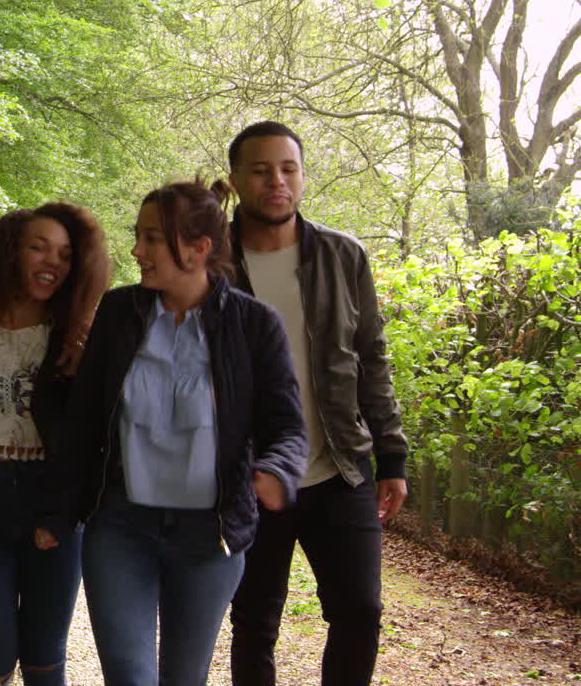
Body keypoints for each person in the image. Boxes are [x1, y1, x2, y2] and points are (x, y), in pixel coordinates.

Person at [48, 178, 308, 686]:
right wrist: (58, 509)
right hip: (120, 528)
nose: (136, 250)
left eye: (151, 239)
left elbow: (288, 428)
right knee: (129, 676)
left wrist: (276, 471)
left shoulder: (255, 325)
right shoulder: (120, 313)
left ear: (197, 249)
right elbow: (82, 421)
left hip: (209, 538)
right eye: (138, 235)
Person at [225, 121, 409, 686]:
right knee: (254, 622)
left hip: (340, 467)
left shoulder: (343, 255)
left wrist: (391, 456)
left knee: (360, 611)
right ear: (235, 181)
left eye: (288, 168)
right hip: (250, 475)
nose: (276, 181)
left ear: (302, 177)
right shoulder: (212, 263)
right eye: (260, 170)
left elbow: (371, 360)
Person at [0, 203, 110, 686]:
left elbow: (93, 440)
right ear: (9, 252)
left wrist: (62, 511)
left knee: (43, 657)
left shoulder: (79, 336)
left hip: (53, 503)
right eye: (38, 247)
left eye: (63, 253)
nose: (52, 261)